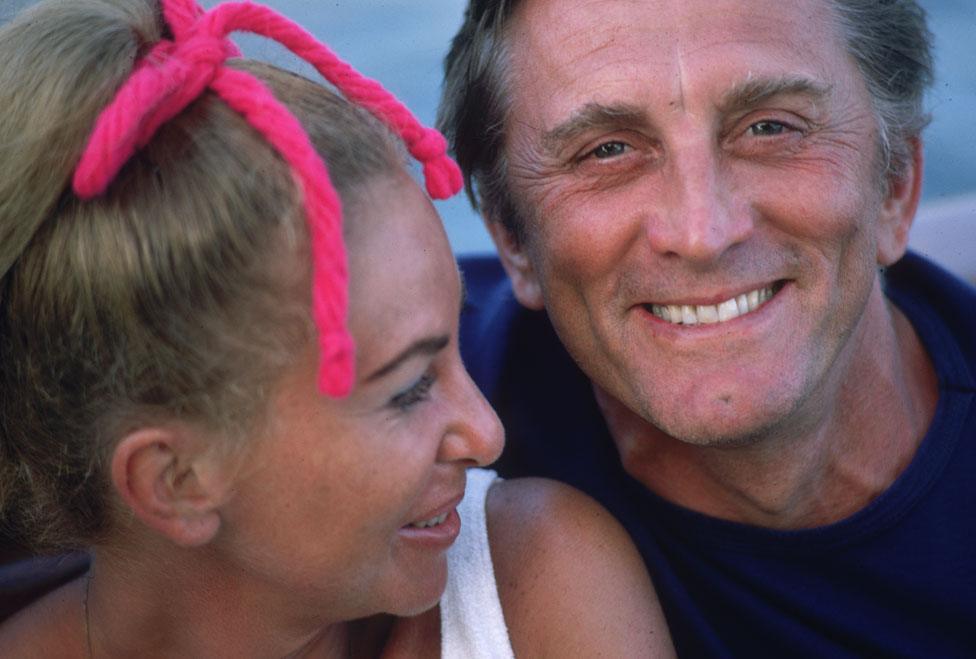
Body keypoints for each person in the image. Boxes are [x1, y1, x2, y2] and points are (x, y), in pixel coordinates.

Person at [0, 0, 675, 655]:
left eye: (454, 344)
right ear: (176, 479)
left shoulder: (538, 584)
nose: (486, 431)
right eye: (411, 387)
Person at [439, 0, 976, 656]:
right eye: (607, 150)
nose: (703, 232)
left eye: (771, 128)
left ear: (894, 187)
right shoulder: (405, 433)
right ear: (512, 241)